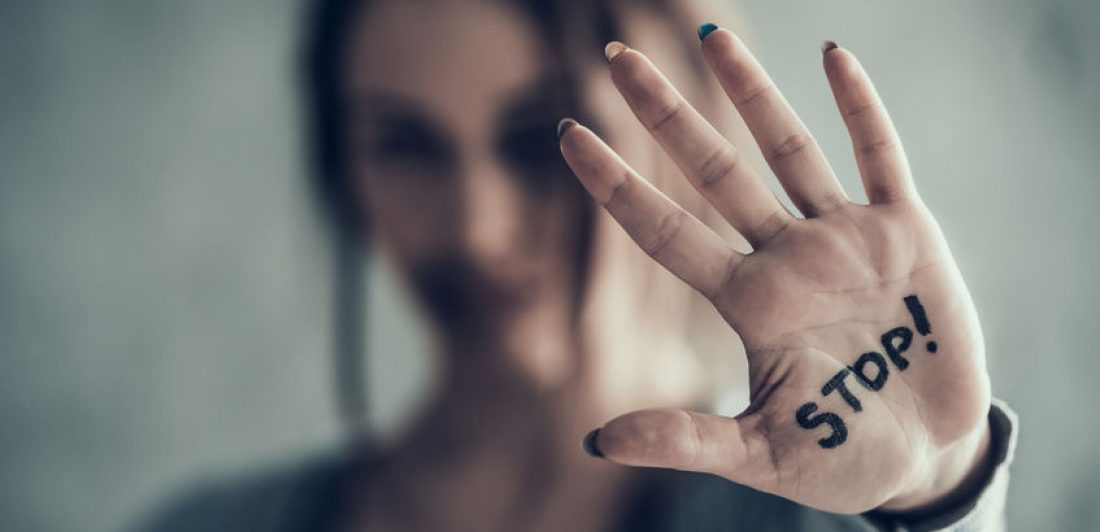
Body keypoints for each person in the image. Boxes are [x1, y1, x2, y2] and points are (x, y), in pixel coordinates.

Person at [135, 0, 1016, 530]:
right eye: (404, 145)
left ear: (676, 137)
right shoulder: (209, 527)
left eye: (536, 141)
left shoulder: (819, 517)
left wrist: (937, 491)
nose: (475, 227)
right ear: (342, 169)